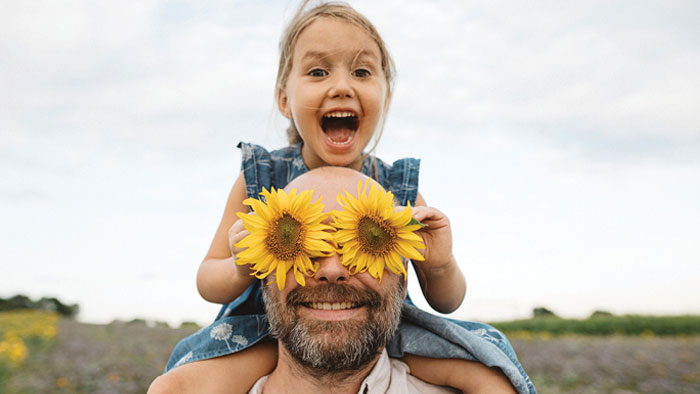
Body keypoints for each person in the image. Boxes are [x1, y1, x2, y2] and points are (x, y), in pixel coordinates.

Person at [150, 1, 536, 393]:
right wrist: (240, 266)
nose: (341, 86)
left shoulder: (396, 187)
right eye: (318, 71)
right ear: (284, 99)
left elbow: (447, 303)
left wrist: (439, 266)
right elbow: (207, 279)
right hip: (266, 331)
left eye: (362, 71)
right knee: (179, 384)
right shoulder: (262, 178)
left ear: (385, 96)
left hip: (383, 329)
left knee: (485, 368)